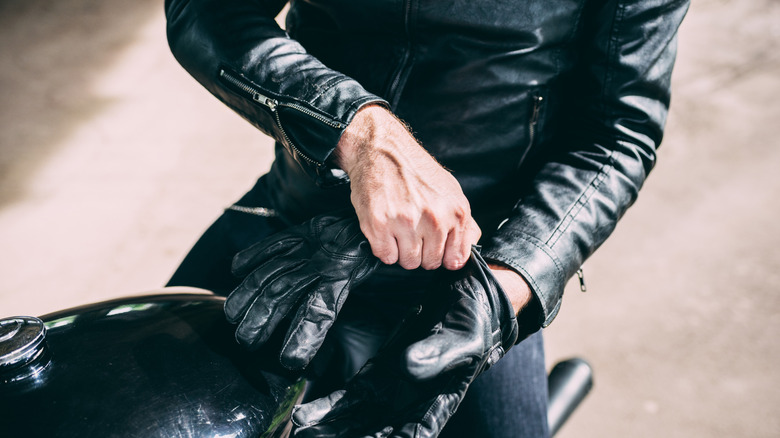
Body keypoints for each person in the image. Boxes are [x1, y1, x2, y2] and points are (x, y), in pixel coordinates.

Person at [163, 0, 689, 436]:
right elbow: (207, 12)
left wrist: (505, 290)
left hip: (474, 280)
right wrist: (358, 130)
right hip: (297, 233)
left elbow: (616, 136)